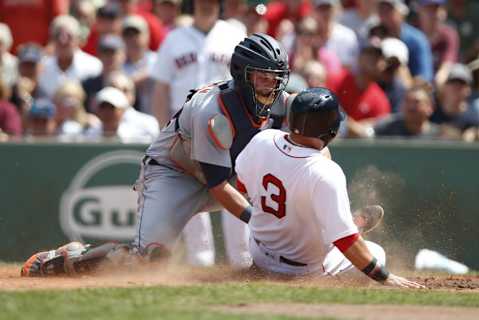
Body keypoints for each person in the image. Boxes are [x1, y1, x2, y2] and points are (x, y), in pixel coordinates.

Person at [20, 33, 291, 277]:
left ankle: (286, 262)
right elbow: (218, 187)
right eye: (261, 77)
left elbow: (313, 123)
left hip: (223, 173)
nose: (269, 86)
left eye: (275, 78)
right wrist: (260, 221)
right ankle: (68, 260)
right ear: (241, 74)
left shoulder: (281, 102)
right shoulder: (213, 110)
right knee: (149, 259)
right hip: (174, 173)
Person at [234, 87, 424, 288]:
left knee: (298, 212)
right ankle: (343, 224)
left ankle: (333, 223)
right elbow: (346, 242)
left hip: (260, 254)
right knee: (376, 252)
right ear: (332, 129)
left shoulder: (262, 139)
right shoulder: (326, 172)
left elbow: (242, 186)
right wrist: (385, 277)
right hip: (301, 269)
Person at [149, 0, 249, 267]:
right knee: (191, 192)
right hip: (185, 128)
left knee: (234, 188)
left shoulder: (233, 35)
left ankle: (242, 259)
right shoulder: (174, 38)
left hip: (229, 126)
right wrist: (163, 131)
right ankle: (199, 262)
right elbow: (161, 89)